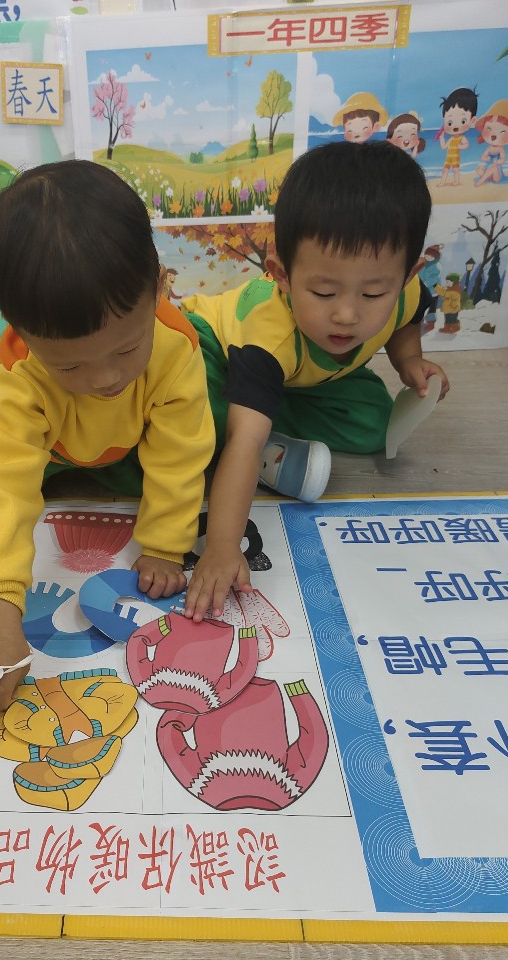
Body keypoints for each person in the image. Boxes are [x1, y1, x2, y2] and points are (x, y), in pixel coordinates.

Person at [0, 160, 215, 709]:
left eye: (126, 348)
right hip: (52, 441)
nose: (104, 378)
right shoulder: (24, 381)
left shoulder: (173, 351)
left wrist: (166, 545)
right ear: (20, 329)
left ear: (159, 287)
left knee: (198, 447)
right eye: (69, 364)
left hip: (124, 440)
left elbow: (178, 455)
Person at [180, 141, 450, 621]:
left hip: (302, 378)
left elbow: (409, 318)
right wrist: (222, 547)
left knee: (376, 424)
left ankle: (264, 419)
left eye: (373, 293)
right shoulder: (268, 336)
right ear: (282, 275)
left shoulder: (405, 291)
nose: (347, 314)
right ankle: (258, 430)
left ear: (407, 275)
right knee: (210, 427)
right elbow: (243, 442)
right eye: (323, 292)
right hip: (213, 356)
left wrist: (409, 360)